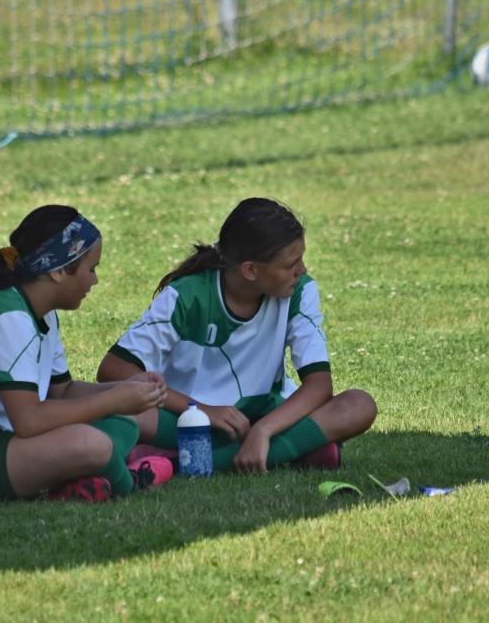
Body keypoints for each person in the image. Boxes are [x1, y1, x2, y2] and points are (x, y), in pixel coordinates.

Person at [0, 205, 172, 502]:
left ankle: (81, 480)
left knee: (125, 420)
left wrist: (126, 389)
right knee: (91, 444)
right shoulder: (7, 316)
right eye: (92, 269)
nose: (95, 280)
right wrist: (114, 399)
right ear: (58, 271)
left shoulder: (41, 312)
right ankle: (128, 481)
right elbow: (29, 422)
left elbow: (62, 391)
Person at [97, 197, 377, 474]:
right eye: (290, 264)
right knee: (120, 411)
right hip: (189, 421)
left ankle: (177, 462)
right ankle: (291, 450)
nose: (302, 270)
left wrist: (263, 430)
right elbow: (114, 369)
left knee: (359, 405)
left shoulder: (299, 291)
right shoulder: (187, 295)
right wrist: (204, 411)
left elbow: (319, 385)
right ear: (250, 270)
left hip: (265, 417)